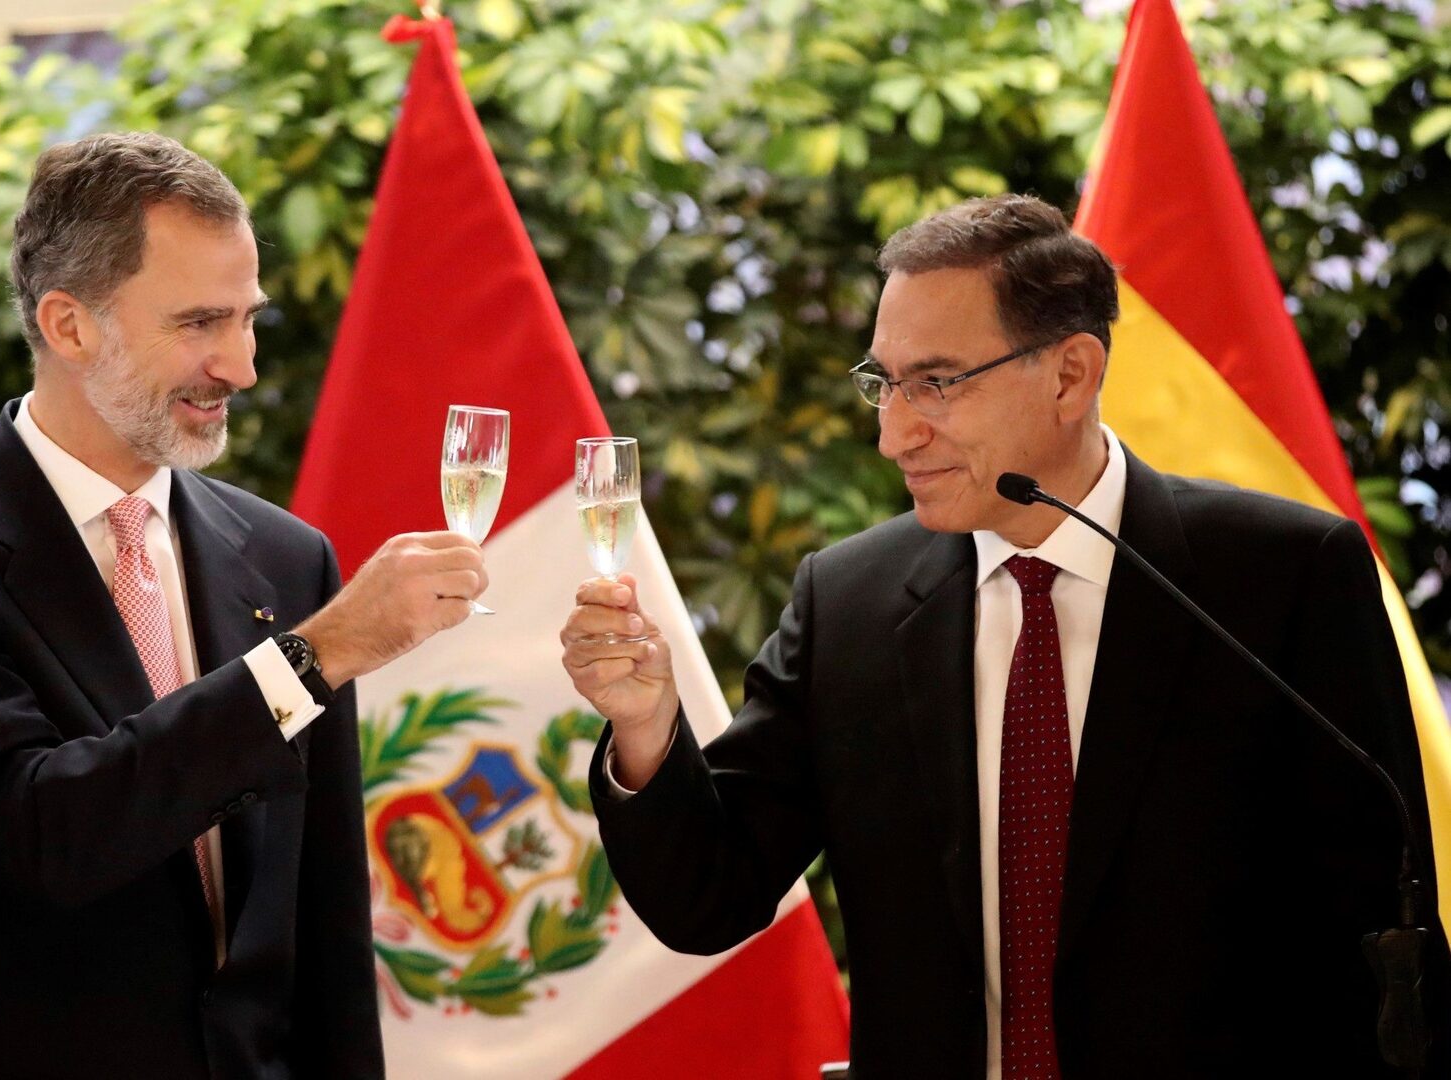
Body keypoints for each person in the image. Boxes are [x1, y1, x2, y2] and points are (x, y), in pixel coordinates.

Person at [561, 194, 1444, 1078]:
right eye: (884, 383)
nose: (894, 434)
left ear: (1070, 375)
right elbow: (709, 898)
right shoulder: (849, 604)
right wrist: (645, 727)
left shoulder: (1281, 576)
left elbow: (1378, 944)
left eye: (936, 384)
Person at [0, 132, 488, 1078]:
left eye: (248, 319)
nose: (241, 367)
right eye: (200, 323)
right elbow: (49, 835)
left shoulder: (288, 558)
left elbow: (325, 923)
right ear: (68, 326)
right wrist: (307, 662)